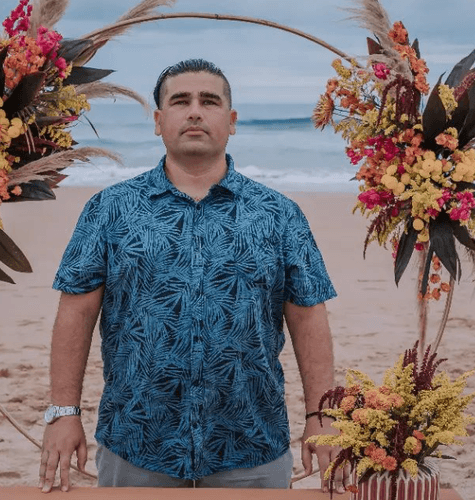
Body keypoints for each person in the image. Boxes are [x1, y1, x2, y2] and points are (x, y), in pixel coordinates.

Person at [38, 59, 349, 493]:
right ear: (159, 121)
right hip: (137, 444)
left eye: (210, 101)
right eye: (180, 101)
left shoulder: (279, 215)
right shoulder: (109, 210)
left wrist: (322, 415)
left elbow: (308, 317)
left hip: (252, 446)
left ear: (232, 121)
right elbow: (76, 311)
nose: (195, 112)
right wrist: (63, 411)